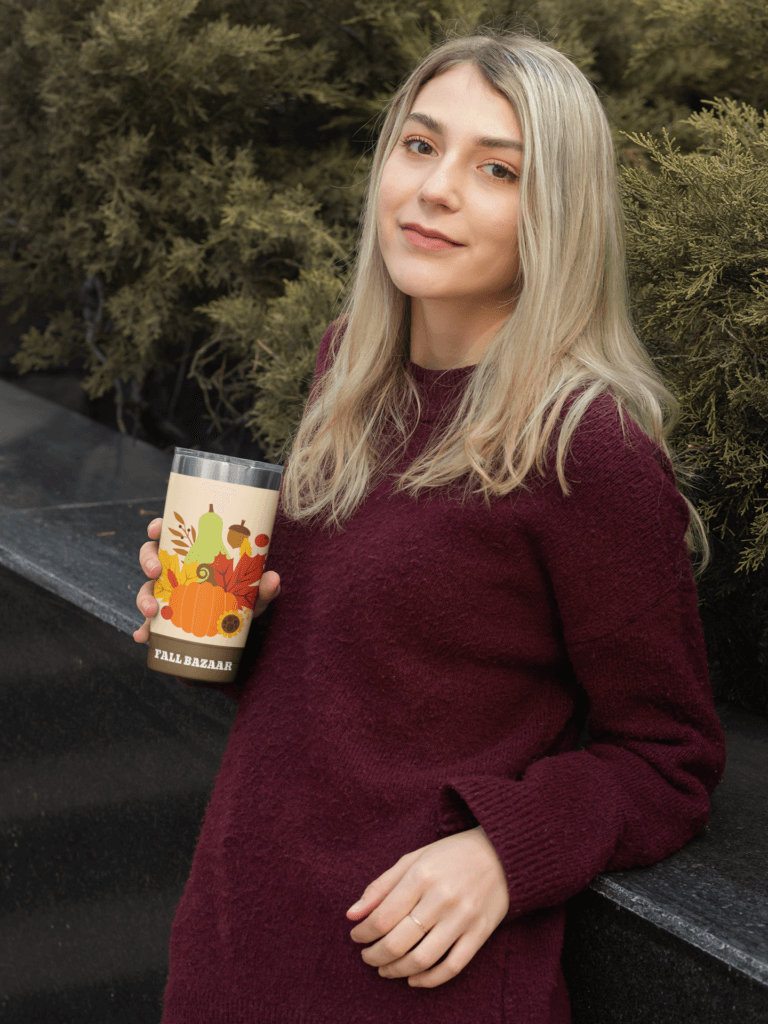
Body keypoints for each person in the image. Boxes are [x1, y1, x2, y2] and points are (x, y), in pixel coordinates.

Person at [133, 30, 726, 1024]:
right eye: (420, 145)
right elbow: (362, 668)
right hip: (239, 944)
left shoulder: (588, 443)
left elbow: (669, 756)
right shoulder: (350, 369)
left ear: (557, 214)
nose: (437, 187)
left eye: (496, 168)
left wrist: (508, 847)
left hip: (411, 980)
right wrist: (215, 623)